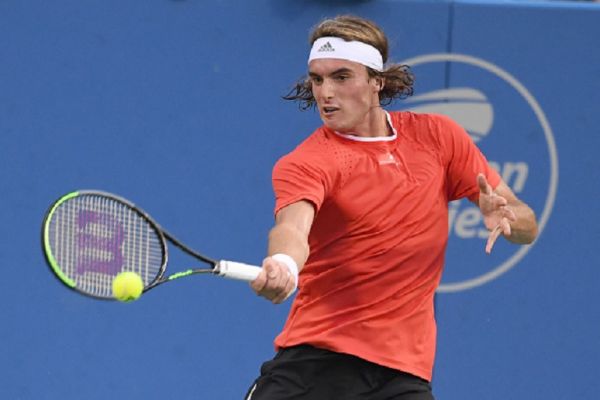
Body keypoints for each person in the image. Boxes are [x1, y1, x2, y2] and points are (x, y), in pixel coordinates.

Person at [245, 15, 538, 400]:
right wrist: (282, 263)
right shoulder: (307, 161)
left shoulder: (439, 136)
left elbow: (527, 225)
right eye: (317, 79)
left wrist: (509, 216)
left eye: (341, 76)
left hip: (403, 376)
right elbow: (292, 229)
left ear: (376, 81)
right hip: (317, 366)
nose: (325, 93)